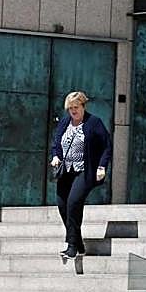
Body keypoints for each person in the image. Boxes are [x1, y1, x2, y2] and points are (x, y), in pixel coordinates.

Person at [49, 91, 112, 259]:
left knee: (73, 203)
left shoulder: (94, 122)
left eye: (76, 107)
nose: (73, 111)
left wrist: (102, 166)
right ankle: (78, 243)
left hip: (84, 170)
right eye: (70, 108)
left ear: (83, 106)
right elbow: (56, 143)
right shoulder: (65, 122)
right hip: (66, 170)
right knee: (62, 205)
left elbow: (107, 145)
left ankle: (71, 246)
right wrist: (55, 156)